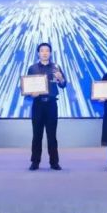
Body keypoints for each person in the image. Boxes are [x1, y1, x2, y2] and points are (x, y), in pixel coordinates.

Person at [26, 43, 67, 171]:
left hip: (51, 104)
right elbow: (27, 87)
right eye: (42, 51)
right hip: (38, 104)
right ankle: (35, 162)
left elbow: (63, 85)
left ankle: (54, 162)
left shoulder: (56, 67)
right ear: (38, 53)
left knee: (52, 135)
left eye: (47, 51)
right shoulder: (32, 68)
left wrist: (61, 79)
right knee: (36, 135)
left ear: (50, 53)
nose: (44, 53)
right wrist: (31, 93)